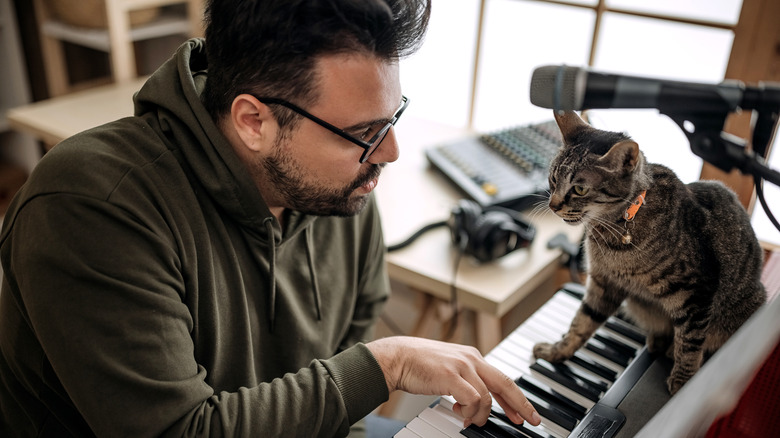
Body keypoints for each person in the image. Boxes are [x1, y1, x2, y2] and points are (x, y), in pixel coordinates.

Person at [0, 1, 541, 436]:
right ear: (253, 121)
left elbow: (354, 339)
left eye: (392, 118)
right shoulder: (92, 206)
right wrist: (387, 364)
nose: (390, 151)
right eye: (363, 132)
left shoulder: (339, 185)